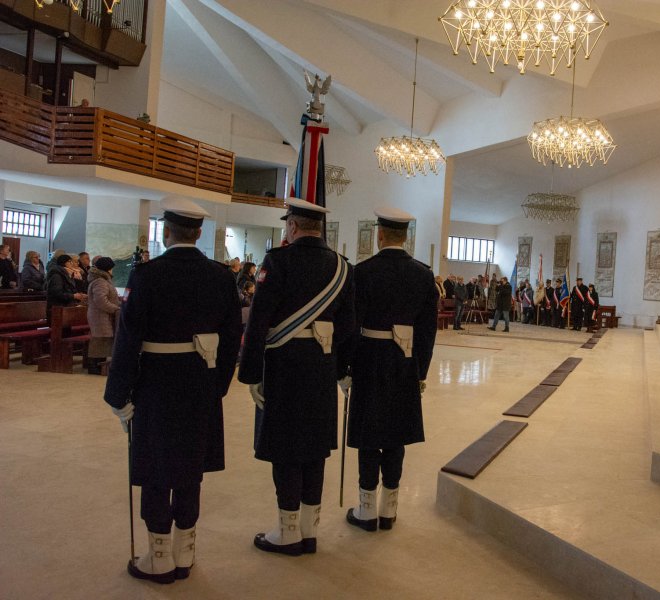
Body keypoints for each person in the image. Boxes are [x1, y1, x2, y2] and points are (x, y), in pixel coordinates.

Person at [104, 196, 242, 584]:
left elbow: (128, 338)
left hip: (156, 382)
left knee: (155, 466)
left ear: (166, 232)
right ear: (198, 233)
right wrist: (218, 384)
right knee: (190, 466)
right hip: (200, 380)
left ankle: (159, 557)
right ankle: (186, 551)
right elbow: (233, 336)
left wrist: (118, 393)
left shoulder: (147, 275)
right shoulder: (220, 275)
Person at [238, 198, 354, 557]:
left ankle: (287, 533)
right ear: (320, 228)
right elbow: (348, 327)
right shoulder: (342, 267)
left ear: (292, 226)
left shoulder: (277, 261)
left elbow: (259, 320)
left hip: (284, 365)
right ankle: (309, 530)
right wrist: (342, 371)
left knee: (286, 447)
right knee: (315, 447)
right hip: (321, 367)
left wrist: (251, 373)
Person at [346, 206, 437, 533]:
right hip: (405, 361)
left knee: (369, 433)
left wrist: (346, 367)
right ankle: (389, 508)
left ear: (380, 234)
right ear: (406, 236)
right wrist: (421, 371)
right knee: (396, 432)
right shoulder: (423, 274)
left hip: (369, 358)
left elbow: (351, 324)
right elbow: (428, 330)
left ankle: (366, 510)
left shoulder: (363, 271)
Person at [85, 257, 121, 375]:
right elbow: (101, 300)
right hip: (99, 315)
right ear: (108, 269)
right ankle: (93, 366)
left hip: (103, 315)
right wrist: (116, 309)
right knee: (100, 339)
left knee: (103, 339)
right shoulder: (100, 281)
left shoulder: (103, 280)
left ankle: (99, 365)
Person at [45, 254, 87, 324]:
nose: (72, 263)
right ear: (64, 263)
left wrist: (80, 295)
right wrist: (73, 296)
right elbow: (57, 294)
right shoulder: (57, 275)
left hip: (65, 308)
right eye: (70, 261)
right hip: (57, 310)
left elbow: (72, 289)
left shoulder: (68, 274)